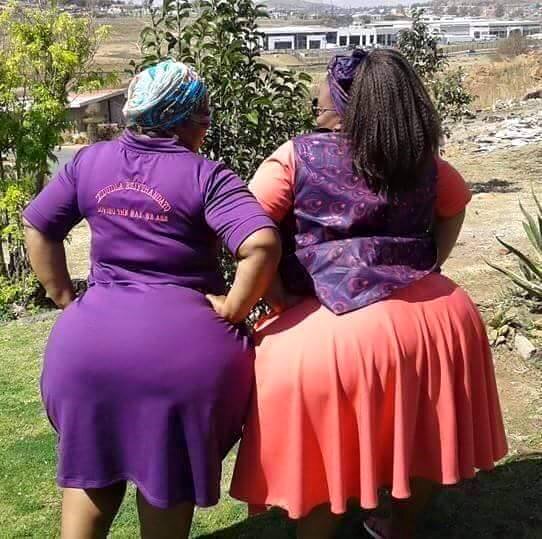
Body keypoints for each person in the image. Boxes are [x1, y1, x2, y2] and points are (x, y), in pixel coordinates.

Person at [228, 49, 508, 539]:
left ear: (345, 103)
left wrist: (276, 294)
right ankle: (399, 526)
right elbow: (456, 204)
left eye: (323, 94)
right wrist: (432, 264)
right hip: (438, 318)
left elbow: (250, 231)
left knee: (321, 457)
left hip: (331, 323)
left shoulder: (295, 156)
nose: (315, 101)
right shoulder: (420, 158)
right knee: (423, 436)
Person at [23, 59, 280, 539]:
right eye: (203, 118)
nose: (206, 128)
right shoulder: (206, 176)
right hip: (179, 363)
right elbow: (261, 244)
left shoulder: (88, 162)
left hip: (87, 353)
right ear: (181, 120)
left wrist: (63, 297)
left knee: (90, 472)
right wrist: (233, 308)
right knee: (166, 479)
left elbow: (38, 226)